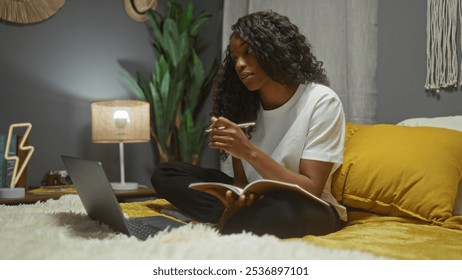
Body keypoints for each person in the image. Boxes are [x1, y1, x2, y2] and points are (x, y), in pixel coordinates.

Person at [151, 10, 346, 238]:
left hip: (305, 204)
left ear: (274, 49)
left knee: (275, 212)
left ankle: (229, 219)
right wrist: (236, 198)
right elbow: (242, 182)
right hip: (254, 199)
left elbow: (311, 188)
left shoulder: (321, 100)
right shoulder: (243, 106)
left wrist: (247, 151)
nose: (240, 65)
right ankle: (230, 215)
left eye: (249, 52)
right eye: (235, 58)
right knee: (165, 173)